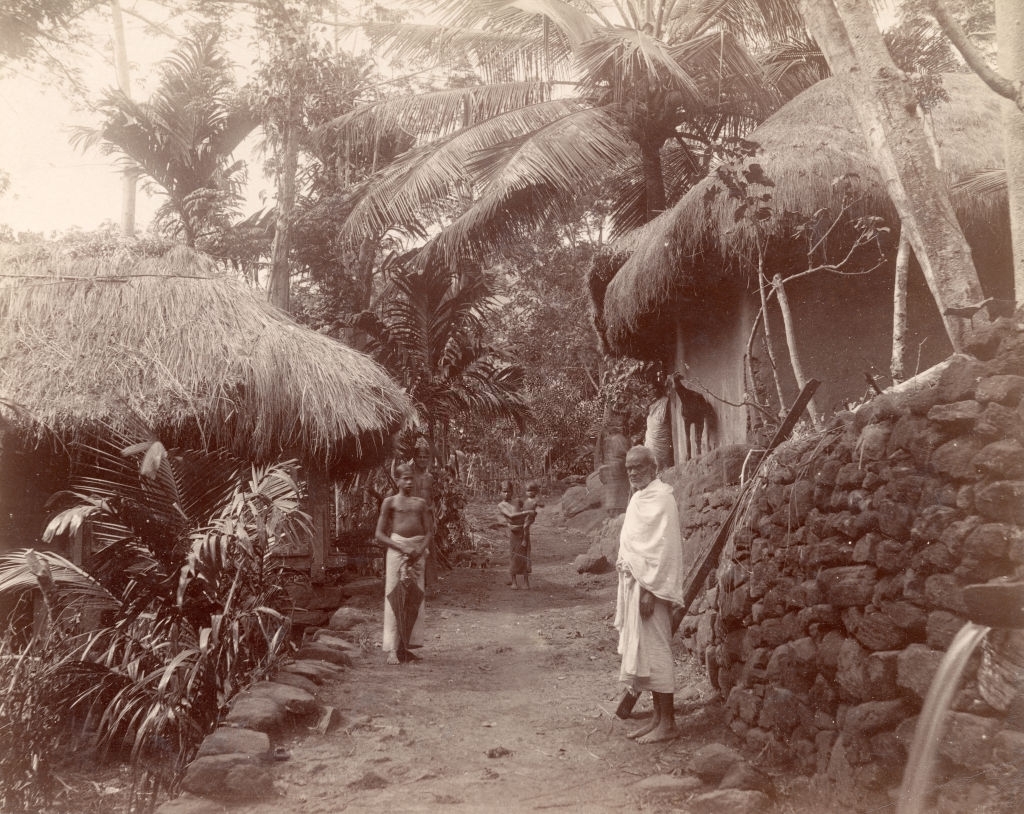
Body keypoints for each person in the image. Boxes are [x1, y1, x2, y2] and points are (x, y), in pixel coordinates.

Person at [615, 445, 684, 743]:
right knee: (645, 652)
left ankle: (668, 723)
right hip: (636, 587)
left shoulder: (663, 499)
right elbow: (635, 546)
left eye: (638, 467)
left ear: (653, 468)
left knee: (657, 652)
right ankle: (657, 718)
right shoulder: (639, 498)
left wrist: (651, 593)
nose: (632, 472)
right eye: (629, 467)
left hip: (652, 591)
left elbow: (662, 551)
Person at [375, 463, 432, 664]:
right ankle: (392, 649)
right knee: (394, 596)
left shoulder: (420, 503)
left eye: (411, 478)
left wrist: (418, 550)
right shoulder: (389, 503)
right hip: (397, 550)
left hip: (417, 552)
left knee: (415, 598)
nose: (408, 482)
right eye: (404, 478)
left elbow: (429, 533)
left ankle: (406, 647)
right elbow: (379, 534)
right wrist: (402, 549)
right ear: (397, 480)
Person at [498, 481, 535, 590]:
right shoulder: (501, 505)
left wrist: (528, 521)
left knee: (524, 556)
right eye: (504, 491)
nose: (506, 494)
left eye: (508, 491)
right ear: (500, 492)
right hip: (514, 533)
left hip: (523, 531)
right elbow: (511, 516)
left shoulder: (517, 501)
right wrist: (526, 513)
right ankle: (514, 582)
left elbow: (529, 509)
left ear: (512, 491)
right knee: (513, 556)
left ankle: (526, 582)